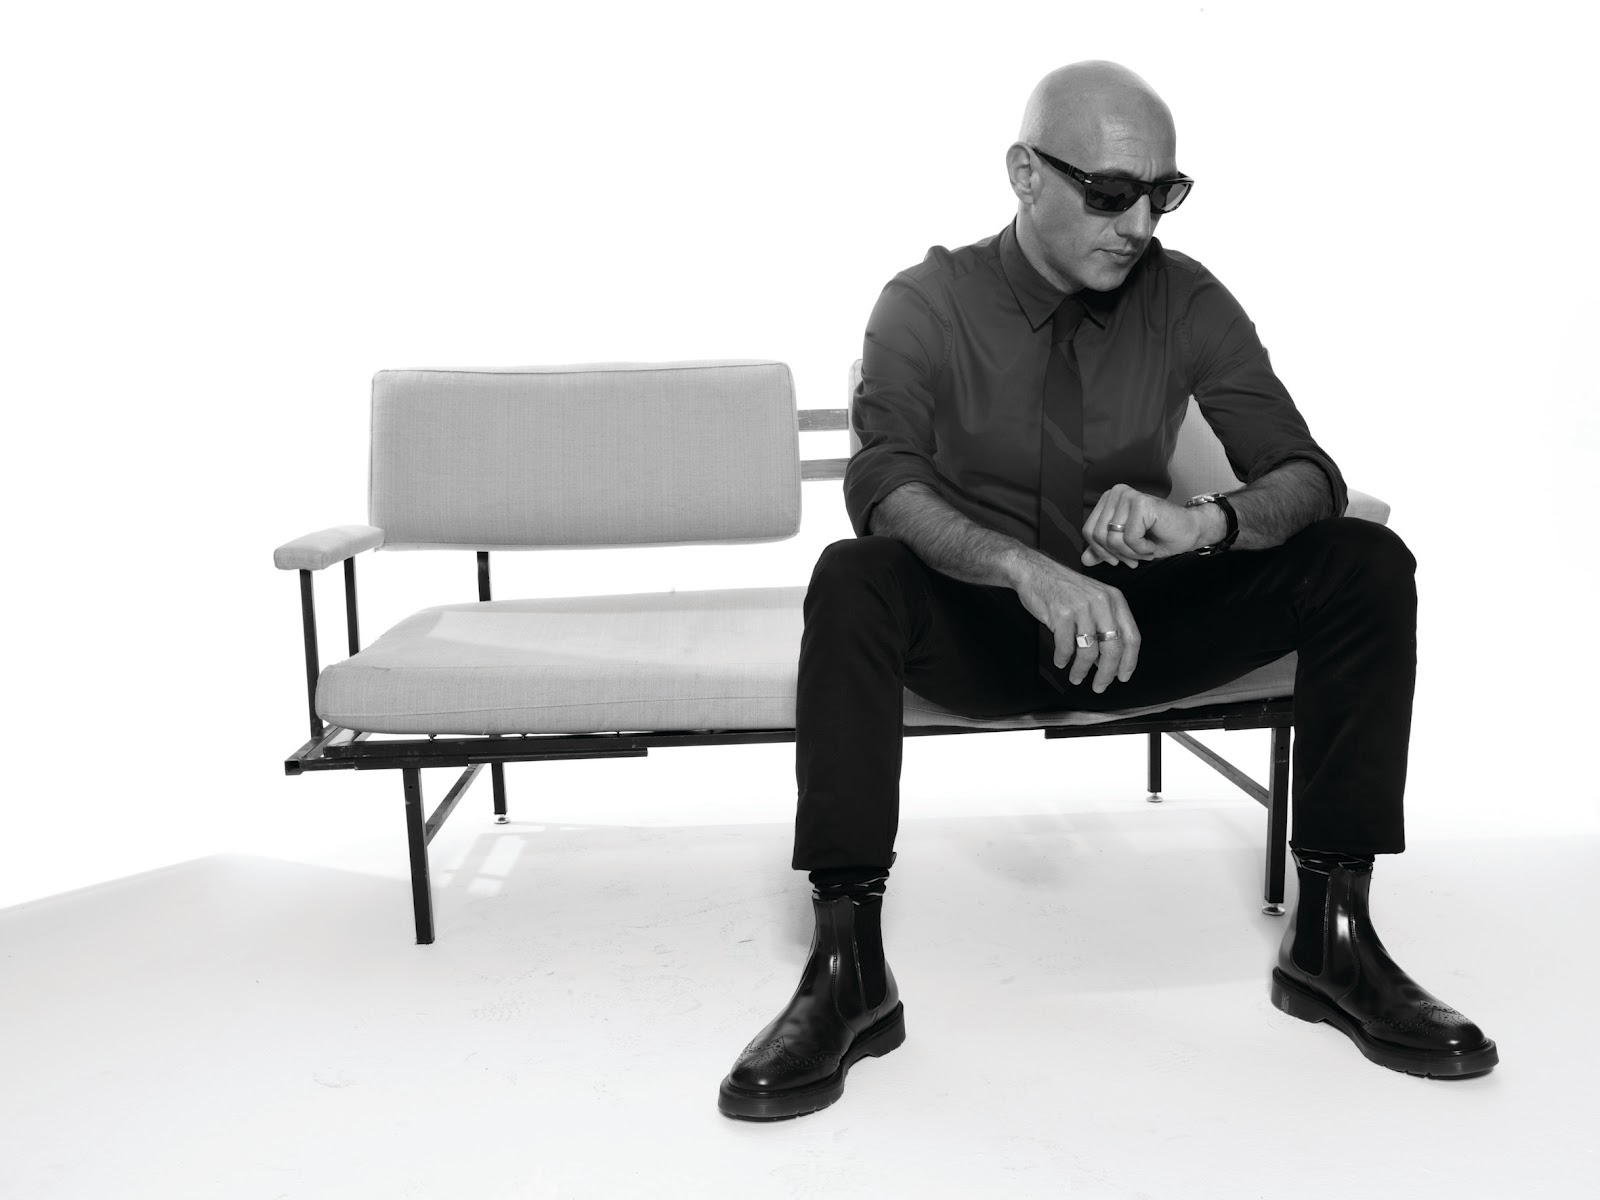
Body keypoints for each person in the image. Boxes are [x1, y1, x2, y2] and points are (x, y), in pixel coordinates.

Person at [717, 60, 1496, 1122]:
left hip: (1142, 621)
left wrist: (1204, 521)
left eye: (1162, 194)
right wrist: (1022, 567)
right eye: (1109, 193)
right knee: (853, 580)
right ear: (1024, 173)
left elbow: (1306, 473)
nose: (1137, 225)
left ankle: (1332, 939)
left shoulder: (1186, 297)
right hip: (983, 626)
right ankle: (848, 968)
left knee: (1365, 562)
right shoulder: (925, 302)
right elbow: (882, 484)